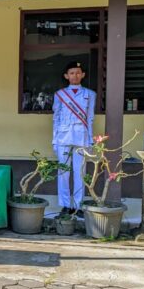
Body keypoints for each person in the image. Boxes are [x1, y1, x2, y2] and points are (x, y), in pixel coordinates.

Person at [52, 62, 96, 216]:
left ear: (83, 75)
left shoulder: (90, 94)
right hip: (63, 137)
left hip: (81, 137)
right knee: (63, 172)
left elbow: (90, 118)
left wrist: (90, 140)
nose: (75, 76)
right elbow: (56, 118)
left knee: (80, 172)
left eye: (78, 73)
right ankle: (65, 205)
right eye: (71, 73)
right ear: (66, 76)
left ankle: (78, 205)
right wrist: (54, 140)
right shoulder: (59, 94)